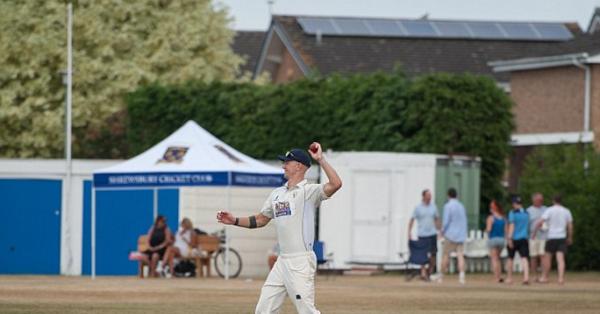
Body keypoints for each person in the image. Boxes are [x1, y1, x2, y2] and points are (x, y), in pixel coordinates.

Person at [216, 143, 342, 314]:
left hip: (301, 261)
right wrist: (234, 220)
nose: (283, 165)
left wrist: (321, 159)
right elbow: (261, 220)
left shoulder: (308, 192)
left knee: (306, 310)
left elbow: (336, 184)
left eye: (287, 162)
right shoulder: (277, 193)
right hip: (282, 261)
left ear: (298, 166)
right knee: (264, 309)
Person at [532, 195, 573, 285]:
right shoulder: (566, 211)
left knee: (547, 258)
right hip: (561, 237)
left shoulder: (549, 210)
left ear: (553, 201)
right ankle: (560, 278)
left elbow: (540, 222)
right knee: (560, 259)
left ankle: (545, 277)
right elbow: (570, 226)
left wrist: (534, 232)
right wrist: (570, 237)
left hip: (551, 237)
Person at [407, 189, 440, 281]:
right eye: (428, 195)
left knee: (433, 254)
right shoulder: (418, 208)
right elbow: (412, 220)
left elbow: (437, 219)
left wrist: (439, 231)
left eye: (430, 195)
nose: (430, 197)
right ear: (423, 196)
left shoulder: (434, 207)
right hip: (422, 234)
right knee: (422, 255)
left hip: (432, 233)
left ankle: (429, 271)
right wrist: (409, 232)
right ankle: (423, 273)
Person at [437, 188, 468, 284]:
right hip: (460, 234)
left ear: (448, 195)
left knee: (446, 255)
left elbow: (446, 221)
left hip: (450, 234)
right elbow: (464, 220)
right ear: (456, 195)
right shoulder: (461, 206)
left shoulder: (448, 206)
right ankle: (462, 276)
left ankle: (441, 276)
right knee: (460, 255)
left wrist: (441, 231)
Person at [506, 196, 530, 285]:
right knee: (524, 258)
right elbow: (528, 227)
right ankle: (526, 277)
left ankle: (509, 277)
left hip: (514, 238)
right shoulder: (526, 213)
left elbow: (512, 226)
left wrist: (509, 238)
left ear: (514, 204)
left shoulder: (512, 213)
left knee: (510, 258)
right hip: (524, 238)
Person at [527, 193, 547, 282]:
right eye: (539, 200)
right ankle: (534, 275)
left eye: (541, 200)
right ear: (534, 200)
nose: (541, 202)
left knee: (543, 256)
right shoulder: (529, 211)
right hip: (532, 237)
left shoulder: (546, 209)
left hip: (544, 236)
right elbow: (527, 225)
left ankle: (543, 276)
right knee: (533, 256)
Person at [485, 199, 506, 283]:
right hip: (501, 239)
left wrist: (485, 230)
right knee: (498, 258)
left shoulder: (491, 218)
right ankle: (499, 275)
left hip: (493, 238)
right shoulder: (503, 218)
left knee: (494, 259)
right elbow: (505, 230)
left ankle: (496, 277)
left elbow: (489, 229)